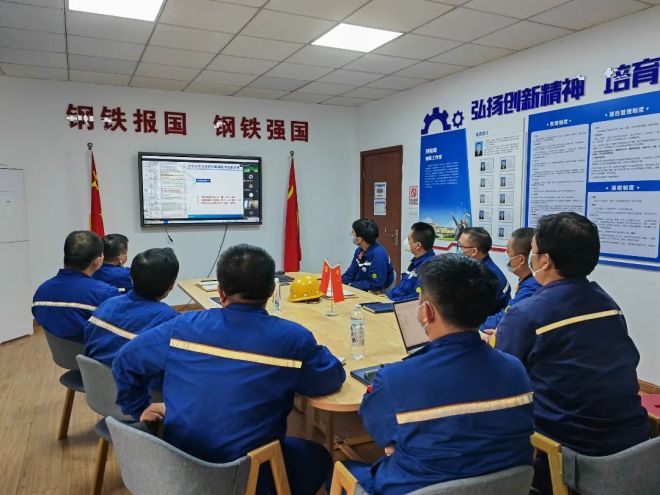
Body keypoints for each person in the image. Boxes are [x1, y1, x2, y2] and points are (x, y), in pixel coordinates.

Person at [112, 244, 345, 495]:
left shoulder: (182, 326)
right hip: (247, 478)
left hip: (177, 468)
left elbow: (124, 359)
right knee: (320, 455)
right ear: (271, 290)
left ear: (221, 292)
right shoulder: (293, 339)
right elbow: (328, 379)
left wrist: (139, 407)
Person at [346, 254, 534, 495]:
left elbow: (381, 434)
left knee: (343, 468)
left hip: (415, 486)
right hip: (507, 487)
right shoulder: (515, 370)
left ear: (427, 311)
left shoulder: (395, 379)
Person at [495, 213, 649, 494]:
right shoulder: (608, 305)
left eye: (533, 252)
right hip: (634, 450)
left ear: (545, 261)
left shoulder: (526, 314)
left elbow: (501, 385)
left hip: (569, 457)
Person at [84, 248, 180, 368]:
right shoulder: (169, 319)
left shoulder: (107, 304)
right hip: (131, 379)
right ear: (171, 286)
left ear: (131, 279)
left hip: (93, 375)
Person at [32, 231, 119, 343]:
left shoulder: (41, 292)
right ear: (97, 262)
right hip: (94, 352)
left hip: (60, 352)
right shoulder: (106, 293)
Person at [481, 228, 541, 334]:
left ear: (521, 260)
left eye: (508, 251)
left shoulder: (531, 288)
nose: (506, 254)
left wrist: (469, 325)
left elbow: (505, 319)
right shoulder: (529, 280)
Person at [457, 227, 511, 311]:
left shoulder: (486, 278)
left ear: (474, 251)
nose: (458, 249)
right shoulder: (478, 267)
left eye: (460, 246)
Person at [387, 222, 435, 302]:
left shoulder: (428, 268)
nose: (406, 241)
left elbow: (415, 299)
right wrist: (387, 297)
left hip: (402, 306)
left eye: (409, 239)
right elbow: (401, 289)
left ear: (418, 245)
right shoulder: (416, 262)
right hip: (393, 301)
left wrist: (392, 301)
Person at [342, 218, 394, 292]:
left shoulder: (379, 255)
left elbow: (376, 284)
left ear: (359, 239)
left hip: (377, 292)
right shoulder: (359, 250)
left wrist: (352, 285)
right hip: (360, 287)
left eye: (353, 234)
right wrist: (339, 281)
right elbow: (351, 272)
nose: (352, 236)